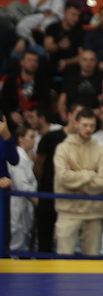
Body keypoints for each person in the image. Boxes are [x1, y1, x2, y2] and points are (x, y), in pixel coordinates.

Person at [53, 107, 103, 256]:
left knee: (92, 261)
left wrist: (74, 177)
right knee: (64, 259)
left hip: (94, 212)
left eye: (92, 125)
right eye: (85, 125)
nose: (88, 129)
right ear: (76, 124)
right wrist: (90, 174)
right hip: (67, 211)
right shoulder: (63, 148)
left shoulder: (101, 152)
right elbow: (63, 177)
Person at [33, 103, 84, 252]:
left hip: (72, 196)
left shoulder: (85, 142)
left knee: (69, 240)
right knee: (45, 237)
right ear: (70, 116)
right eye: (79, 115)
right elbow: (37, 166)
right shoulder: (50, 137)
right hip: (49, 193)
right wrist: (47, 183)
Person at [0, 49, 51, 129]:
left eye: (35, 61)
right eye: (29, 60)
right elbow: (4, 101)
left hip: (35, 114)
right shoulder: (11, 79)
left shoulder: (42, 79)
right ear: (22, 62)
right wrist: (11, 112)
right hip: (15, 115)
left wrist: (32, 112)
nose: (32, 63)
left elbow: (46, 101)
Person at [8, 124, 37, 252]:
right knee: (16, 243)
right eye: (31, 137)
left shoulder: (27, 157)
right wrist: (38, 201)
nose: (34, 140)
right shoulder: (18, 157)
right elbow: (22, 185)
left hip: (26, 206)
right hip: (18, 205)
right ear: (20, 138)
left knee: (24, 243)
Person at [57, 49, 103, 122]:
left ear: (96, 62)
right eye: (85, 59)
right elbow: (62, 100)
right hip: (72, 115)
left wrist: (100, 110)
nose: (88, 63)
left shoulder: (102, 77)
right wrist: (62, 113)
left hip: (93, 116)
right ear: (79, 61)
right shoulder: (71, 78)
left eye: (91, 60)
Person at [43, 1, 84, 78]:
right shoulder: (52, 28)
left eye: (78, 16)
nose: (76, 18)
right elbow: (47, 47)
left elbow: (81, 56)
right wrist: (59, 46)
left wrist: (66, 62)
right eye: (73, 14)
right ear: (65, 13)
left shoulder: (80, 32)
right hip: (53, 63)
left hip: (71, 65)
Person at [0, 115, 20, 254]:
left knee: (3, 239)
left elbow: (14, 160)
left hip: (3, 196)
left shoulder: (4, 135)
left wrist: (7, 137)